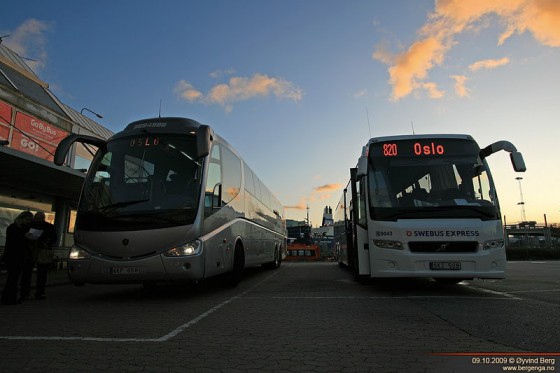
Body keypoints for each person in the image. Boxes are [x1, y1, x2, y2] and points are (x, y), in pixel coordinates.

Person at [1, 211, 33, 305]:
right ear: (22, 219)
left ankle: (9, 297)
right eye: (27, 220)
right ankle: (9, 298)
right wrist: (25, 237)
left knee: (13, 278)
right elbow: (14, 241)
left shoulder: (19, 228)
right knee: (13, 278)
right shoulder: (14, 228)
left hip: (18, 256)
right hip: (14, 256)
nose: (28, 222)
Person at [28, 211, 57, 300]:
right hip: (41, 251)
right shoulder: (49, 227)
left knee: (29, 272)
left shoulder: (31, 225)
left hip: (33, 250)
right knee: (41, 273)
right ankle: (39, 292)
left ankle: (27, 292)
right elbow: (54, 238)